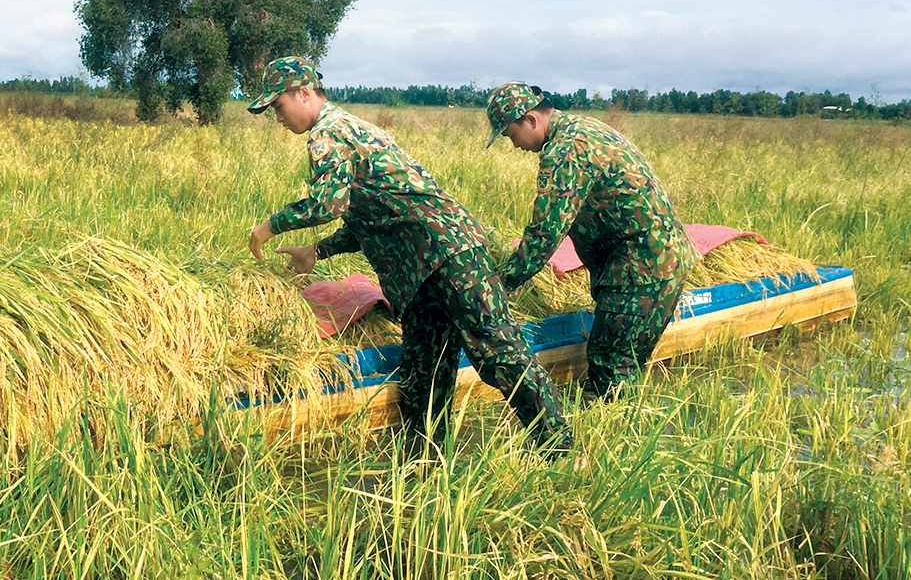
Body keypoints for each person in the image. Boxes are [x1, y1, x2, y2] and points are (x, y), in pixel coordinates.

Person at [247, 57, 569, 454]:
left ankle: (563, 451)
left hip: (450, 258)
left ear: (303, 92)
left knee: (500, 356)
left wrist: (269, 227)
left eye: (277, 106)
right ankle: (424, 468)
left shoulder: (326, 135)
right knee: (424, 374)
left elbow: (326, 203)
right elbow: (376, 213)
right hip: (423, 273)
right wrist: (317, 250)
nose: (276, 117)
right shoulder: (354, 128)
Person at [486, 81, 697, 399]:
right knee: (621, 366)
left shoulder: (565, 151)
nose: (514, 145)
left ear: (530, 119)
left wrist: (496, 287)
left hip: (640, 270)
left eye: (511, 135)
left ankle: (602, 443)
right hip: (651, 263)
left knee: (611, 372)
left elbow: (545, 234)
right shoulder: (580, 129)